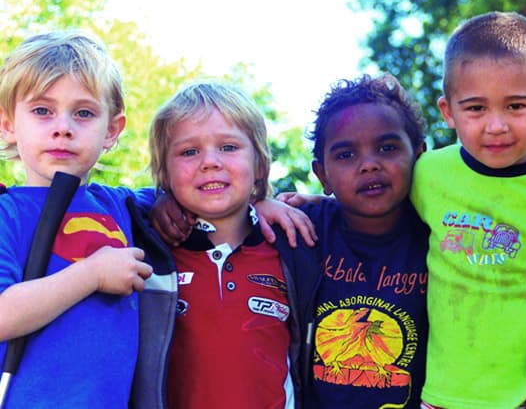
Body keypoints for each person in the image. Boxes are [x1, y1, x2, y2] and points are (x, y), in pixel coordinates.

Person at [151, 73, 430, 408]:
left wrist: (262, 201)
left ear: (420, 155)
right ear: (321, 174)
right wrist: (161, 201)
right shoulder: (297, 231)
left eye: (386, 148)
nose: (369, 165)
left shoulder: (442, 234)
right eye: (346, 155)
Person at [410, 11, 526, 408]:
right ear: (448, 111)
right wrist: (309, 204)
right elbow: (370, 211)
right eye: (475, 109)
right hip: (448, 387)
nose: (496, 125)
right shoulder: (428, 174)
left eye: (516, 106)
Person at [0, 31, 153, 407]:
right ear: (7, 125)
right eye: (42, 111)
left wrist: (262, 203)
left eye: (84, 113)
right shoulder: (7, 213)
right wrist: (92, 274)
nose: (63, 127)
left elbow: (195, 197)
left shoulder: (122, 206)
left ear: (112, 130)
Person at [142, 80, 313, 409]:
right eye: (189, 152)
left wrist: (268, 200)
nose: (210, 162)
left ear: (260, 166)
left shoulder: (292, 246)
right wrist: (156, 202)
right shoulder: (149, 246)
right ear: (164, 174)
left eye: (228, 147)